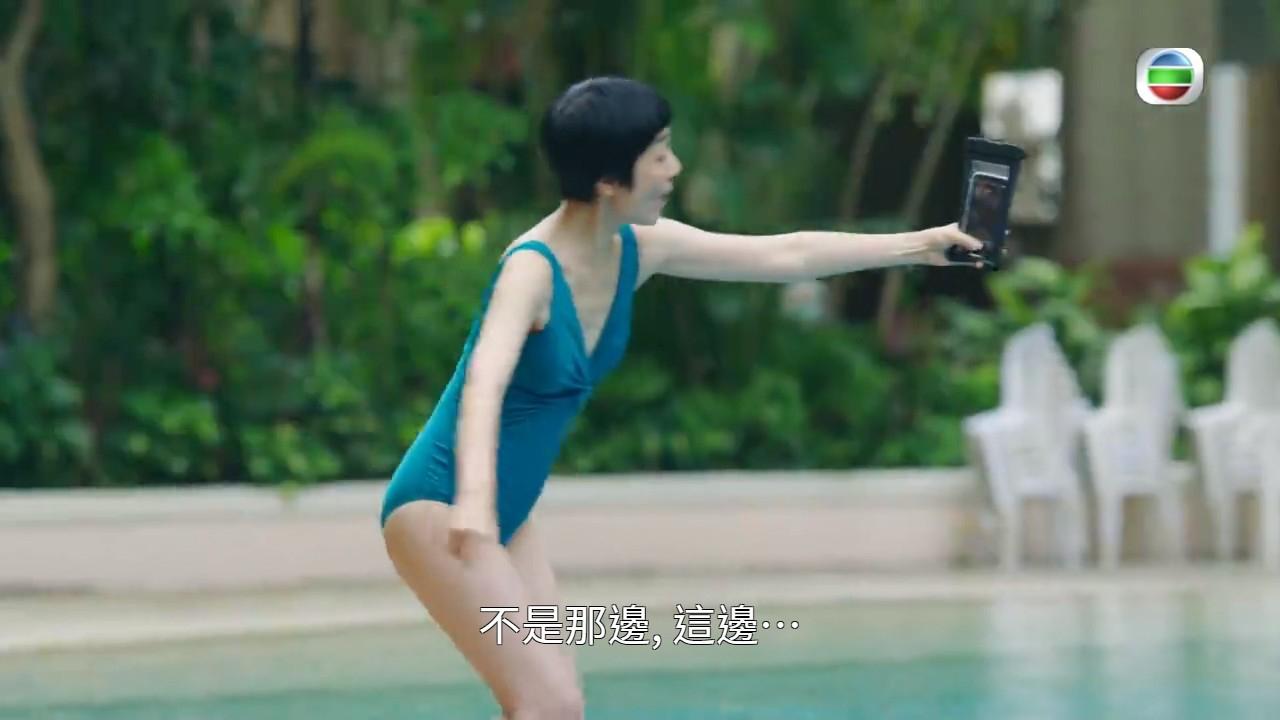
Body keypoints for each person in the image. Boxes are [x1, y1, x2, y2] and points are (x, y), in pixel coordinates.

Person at [379, 76, 986, 720]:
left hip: (510, 509)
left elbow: (785, 254)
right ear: (609, 180)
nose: (674, 169)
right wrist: (474, 502)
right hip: (444, 502)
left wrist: (923, 246)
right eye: (659, 155)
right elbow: (485, 379)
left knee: (556, 708)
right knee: (548, 704)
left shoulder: (637, 248)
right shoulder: (530, 270)